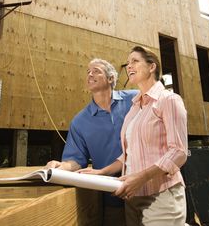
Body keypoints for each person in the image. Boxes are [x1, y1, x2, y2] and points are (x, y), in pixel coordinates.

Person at [79, 46, 188, 226]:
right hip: (132, 199)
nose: (129, 66)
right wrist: (101, 172)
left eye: (135, 61)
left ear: (151, 67)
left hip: (161, 196)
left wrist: (141, 178)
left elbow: (178, 152)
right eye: (128, 63)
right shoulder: (135, 108)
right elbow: (128, 154)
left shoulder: (168, 100)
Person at [45, 58, 138, 226]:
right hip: (113, 198)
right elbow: (75, 160)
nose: (90, 74)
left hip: (147, 191)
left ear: (110, 79)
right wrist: (61, 167)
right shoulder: (80, 121)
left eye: (96, 71)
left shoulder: (135, 99)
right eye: (88, 71)